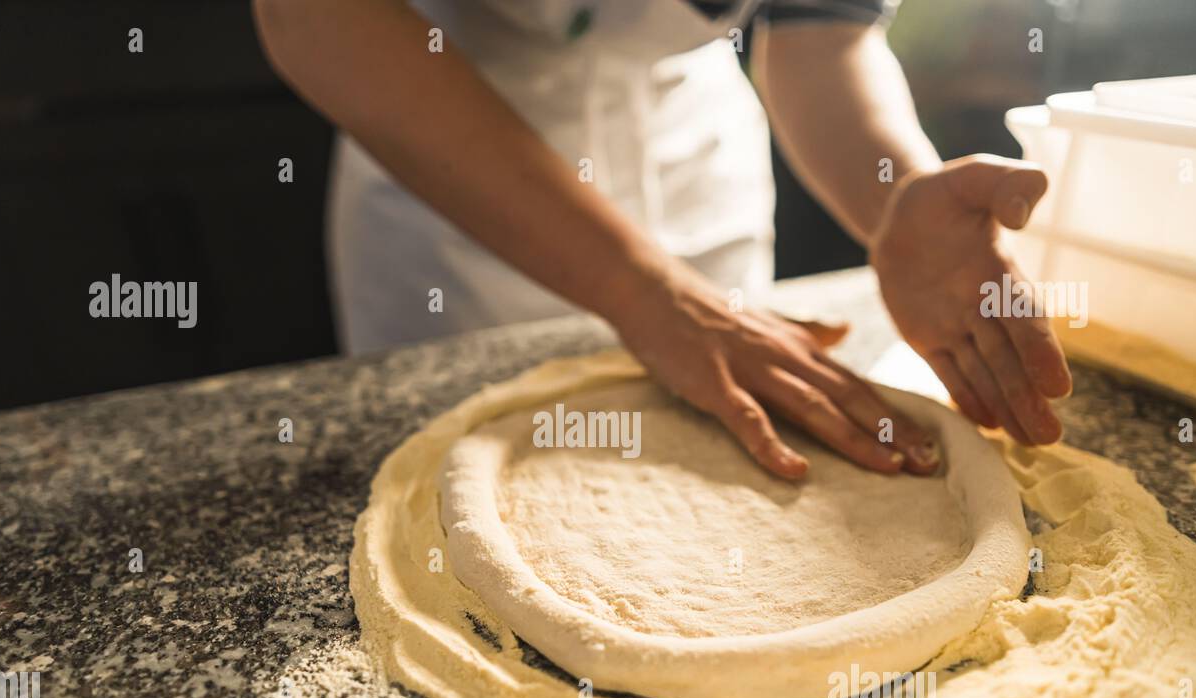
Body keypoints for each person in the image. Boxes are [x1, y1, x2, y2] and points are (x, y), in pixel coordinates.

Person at [253, 0, 1072, 478]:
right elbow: (315, 17)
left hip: (690, 141)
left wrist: (896, 193)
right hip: (448, 142)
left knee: (728, 456)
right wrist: (642, 291)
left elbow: (822, 33)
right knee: (470, 481)